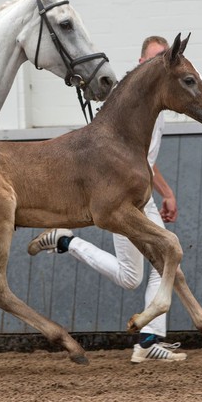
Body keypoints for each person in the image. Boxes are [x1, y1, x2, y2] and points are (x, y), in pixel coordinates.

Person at [27, 36, 186, 363]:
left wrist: (166, 192)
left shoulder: (161, 105)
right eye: (157, 58)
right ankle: (68, 243)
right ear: (142, 63)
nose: (163, 64)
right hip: (121, 196)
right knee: (133, 276)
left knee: (165, 262)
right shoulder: (126, 101)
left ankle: (149, 338)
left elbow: (146, 160)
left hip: (144, 195)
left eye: (167, 58)